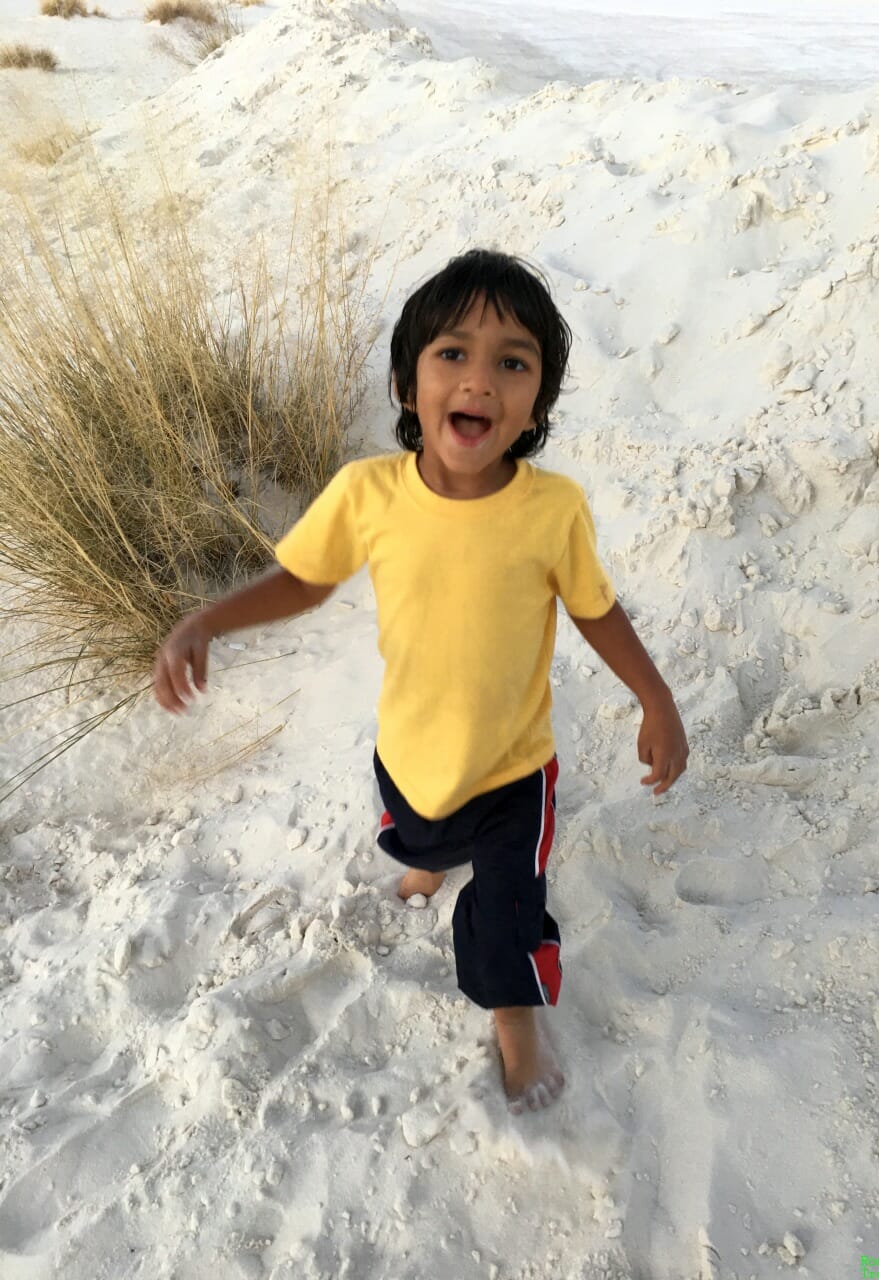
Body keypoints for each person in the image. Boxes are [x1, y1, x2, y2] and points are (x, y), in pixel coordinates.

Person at [153, 248, 688, 1115]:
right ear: (408, 385)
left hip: (518, 767)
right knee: (419, 848)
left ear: (536, 406)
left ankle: (514, 1014)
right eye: (453, 354)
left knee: (511, 907)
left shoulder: (553, 512)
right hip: (413, 754)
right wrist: (207, 619)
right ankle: (432, 868)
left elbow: (594, 609)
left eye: (512, 362)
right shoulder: (370, 494)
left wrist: (654, 697)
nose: (480, 380)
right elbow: (306, 579)